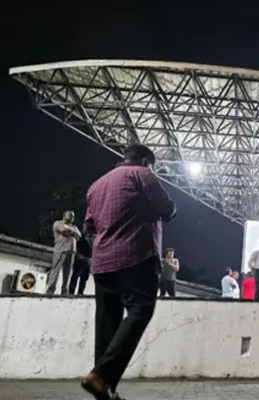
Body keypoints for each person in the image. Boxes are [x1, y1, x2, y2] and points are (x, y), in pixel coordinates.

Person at [80, 143, 176, 400]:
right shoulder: (142, 174)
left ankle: (104, 388)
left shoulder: (96, 185)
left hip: (102, 262)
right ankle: (101, 375)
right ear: (145, 161)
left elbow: (89, 226)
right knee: (140, 310)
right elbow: (168, 210)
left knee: (107, 322)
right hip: (137, 257)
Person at [46, 210, 81, 295]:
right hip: (60, 249)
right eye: (70, 215)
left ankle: (64, 290)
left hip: (71, 251)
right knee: (56, 269)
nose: (72, 217)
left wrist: (71, 231)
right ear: (64, 215)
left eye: (73, 216)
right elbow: (63, 232)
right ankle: (51, 289)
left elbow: (79, 235)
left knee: (67, 272)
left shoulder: (74, 226)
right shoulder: (58, 223)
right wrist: (73, 233)